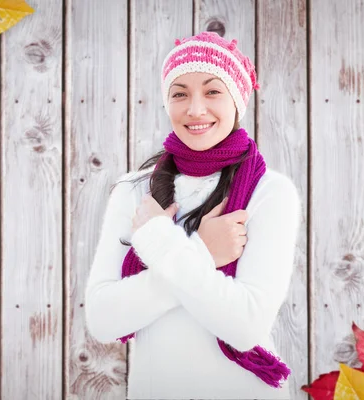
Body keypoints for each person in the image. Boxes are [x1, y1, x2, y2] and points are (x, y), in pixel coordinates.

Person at [84, 31, 300, 400]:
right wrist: (203, 252)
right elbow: (103, 320)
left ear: (237, 100)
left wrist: (161, 244)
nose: (195, 109)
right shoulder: (135, 190)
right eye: (180, 93)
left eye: (212, 91)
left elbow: (246, 326)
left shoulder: (269, 192)